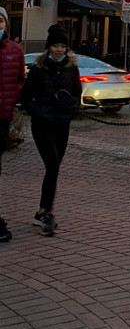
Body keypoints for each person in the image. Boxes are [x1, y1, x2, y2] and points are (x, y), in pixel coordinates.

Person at [20, 25, 81, 237]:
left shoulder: (71, 69)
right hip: (42, 125)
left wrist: (72, 111)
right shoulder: (38, 69)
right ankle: (44, 212)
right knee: (52, 165)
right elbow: (26, 98)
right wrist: (38, 113)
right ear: (48, 47)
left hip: (62, 125)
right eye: (55, 45)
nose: (59, 49)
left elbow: (76, 94)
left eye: (63, 46)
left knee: (54, 169)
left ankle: (44, 211)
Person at [0, 7, 24, 242]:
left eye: (0, 21)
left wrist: (12, 100)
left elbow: (20, 81)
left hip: (2, 118)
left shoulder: (15, 50)